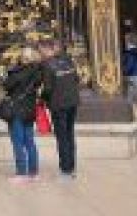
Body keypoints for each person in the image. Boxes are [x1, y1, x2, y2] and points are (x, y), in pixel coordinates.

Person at [0, 46, 42, 184]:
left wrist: (9, 72)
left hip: (17, 110)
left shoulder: (17, 72)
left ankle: (22, 172)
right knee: (30, 142)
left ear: (22, 58)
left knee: (18, 142)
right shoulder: (38, 72)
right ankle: (34, 173)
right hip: (30, 110)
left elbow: (6, 85)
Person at [40, 39, 81, 179]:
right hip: (73, 102)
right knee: (70, 134)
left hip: (58, 105)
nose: (41, 54)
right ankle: (72, 166)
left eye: (41, 51)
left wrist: (42, 99)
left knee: (62, 137)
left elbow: (47, 88)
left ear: (47, 49)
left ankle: (65, 170)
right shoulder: (68, 61)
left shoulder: (47, 65)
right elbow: (77, 79)